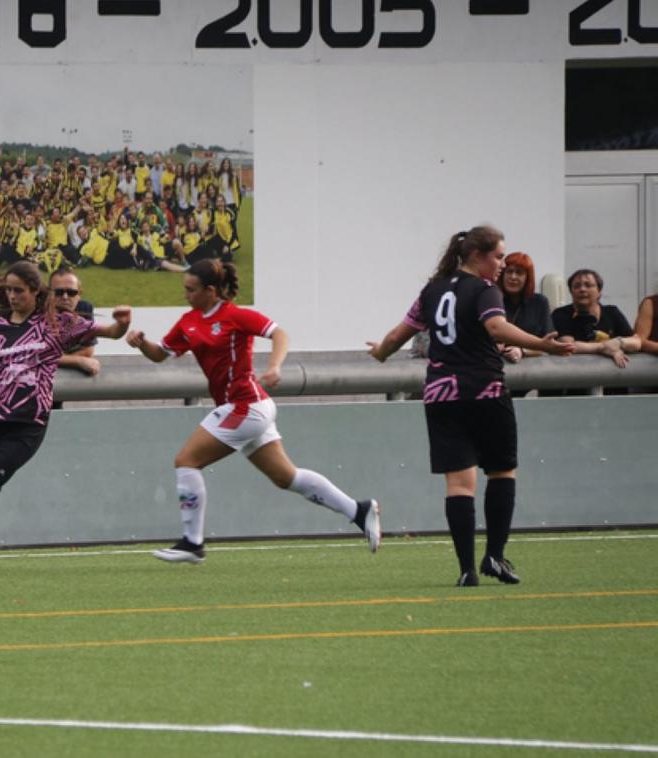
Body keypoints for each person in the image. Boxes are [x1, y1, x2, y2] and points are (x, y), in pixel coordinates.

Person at [127, 259, 382, 565]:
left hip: (245, 405)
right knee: (286, 477)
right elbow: (160, 354)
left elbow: (279, 334)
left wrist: (274, 367)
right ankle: (359, 510)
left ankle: (192, 543)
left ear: (211, 291)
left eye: (191, 290)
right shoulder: (189, 321)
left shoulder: (235, 315)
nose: (186, 295)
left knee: (186, 460)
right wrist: (141, 343)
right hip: (244, 409)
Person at [367, 226, 573, 586]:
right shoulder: (484, 289)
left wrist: (380, 353)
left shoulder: (431, 290)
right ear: (477, 256)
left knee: (459, 485)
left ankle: (466, 571)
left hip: (441, 397)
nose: (501, 264)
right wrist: (543, 343)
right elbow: (496, 327)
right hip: (485, 391)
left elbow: (398, 336)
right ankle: (494, 556)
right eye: (497, 257)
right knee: (501, 471)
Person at [0, 261, 132, 574]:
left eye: (19, 290)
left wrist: (123, 322)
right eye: (8, 289)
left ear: (35, 291)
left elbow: (111, 332)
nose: (12, 295)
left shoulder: (57, 323)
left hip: (27, 423)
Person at [551, 268, 641, 368]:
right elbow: (567, 345)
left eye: (588, 285)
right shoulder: (560, 314)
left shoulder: (612, 312)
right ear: (571, 292)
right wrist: (603, 347)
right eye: (576, 286)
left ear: (599, 291)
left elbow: (636, 342)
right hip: (576, 374)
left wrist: (618, 342)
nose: (582, 289)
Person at [49, 267, 99, 411]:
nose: (65, 297)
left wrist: (56, 360)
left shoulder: (84, 308)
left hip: (53, 382)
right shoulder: (37, 311)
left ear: (79, 294)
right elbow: (37, 356)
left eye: (71, 292)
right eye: (59, 292)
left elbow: (88, 350)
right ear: (49, 293)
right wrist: (78, 361)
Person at [498, 252, 553, 362]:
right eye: (509, 271)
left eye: (519, 273)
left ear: (528, 278)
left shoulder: (540, 302)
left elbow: (548, 344)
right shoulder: (492, 300)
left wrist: (522, 351)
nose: (513, 277)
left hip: (532, 367)